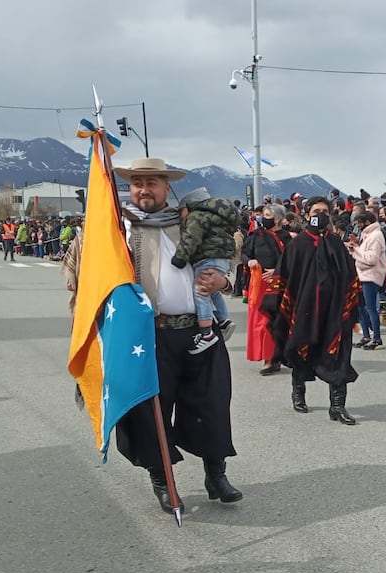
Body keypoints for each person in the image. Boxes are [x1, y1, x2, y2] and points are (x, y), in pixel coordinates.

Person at [107, 157, 242, 513]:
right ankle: (162, 479)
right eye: (137, 182)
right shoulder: (118, 228)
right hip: (149, 334)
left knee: (211, 402)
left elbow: (229, 253)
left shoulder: (190, 220)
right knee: (152, 410)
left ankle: (216, 474)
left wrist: (225, 281)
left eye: (152, 182)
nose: (144, 189)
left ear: (167, 187)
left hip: (201, 331)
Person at [272, 196, 361, 424]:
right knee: (300, 349)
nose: (320, 214)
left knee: (339, 355)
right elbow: (284, 278)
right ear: (306, 213)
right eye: (315, 210)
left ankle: (338, 406)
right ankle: (298, 391)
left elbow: (350, 276)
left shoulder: (335, 244)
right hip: (304, 311)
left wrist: (351, 311)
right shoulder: (297, 245)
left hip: (333, 312)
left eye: (324, 211)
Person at [171, 187, 242, 354]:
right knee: (211, 292)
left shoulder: (196, 218)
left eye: (181, 212)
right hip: (218, 259)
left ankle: (206, 333)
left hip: (206, 260)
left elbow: (191, 239)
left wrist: (179, 259)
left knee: (201, 291)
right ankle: (223, 320)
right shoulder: (218, 219)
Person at [241, 203, 286, 375]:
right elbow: (245, 253)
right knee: (259, 322)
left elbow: (291, 259)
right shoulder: (256, 235)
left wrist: (277, 271)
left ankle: (273, 358)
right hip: (258, 283)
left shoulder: (286, 238)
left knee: (272, 321)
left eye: (267, 215)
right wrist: (249, 261)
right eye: (264, 215)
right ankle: (267, 357)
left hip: (278, 283)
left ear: (278, 218)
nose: (263, 218)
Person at [347, 209, 386, 350]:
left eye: (360, 223)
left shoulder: (376, 235)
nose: (358, 226)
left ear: (367, 222)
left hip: (371, 275)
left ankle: (377, 338)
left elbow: (371, 258)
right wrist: (355, 248)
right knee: (361, 307)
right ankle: (366, 336)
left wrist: (356, 249)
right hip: (362, 275)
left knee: (370, 308)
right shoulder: (366, 235)